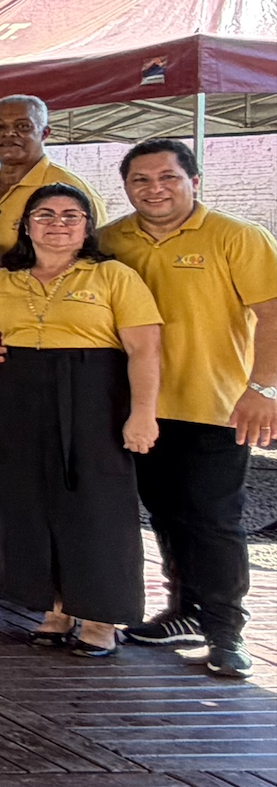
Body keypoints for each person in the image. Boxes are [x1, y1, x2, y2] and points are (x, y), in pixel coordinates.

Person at [0, 186, 162, 656]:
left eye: (72, 215)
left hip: (95, 395)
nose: (58, 223)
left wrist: (143, 413)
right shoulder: (3, 281)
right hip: (19, 393)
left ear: (87, 226)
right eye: (44, 214)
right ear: (26, 226)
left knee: (96, 506)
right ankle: (55, 607)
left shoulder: (114, 276)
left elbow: (144, 348)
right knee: (25, 501)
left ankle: (99, 618)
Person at [101, 140, 277, 677]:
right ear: (126, 186)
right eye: (141, 180)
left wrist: (263, 390)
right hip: (139, 408)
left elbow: (272, 314)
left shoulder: (237, 237)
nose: (155, 189)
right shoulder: (110, 240)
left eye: (168, 177)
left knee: (215, 519)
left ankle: (227, 631)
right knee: (165, 512)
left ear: (193, 181)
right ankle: (183, 611)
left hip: (216, 406)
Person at [0, 95, 99, 266]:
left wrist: (5, 263)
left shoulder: (69, 189)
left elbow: (91, 260)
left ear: (44, 133)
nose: (8, 133)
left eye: (23, 126)